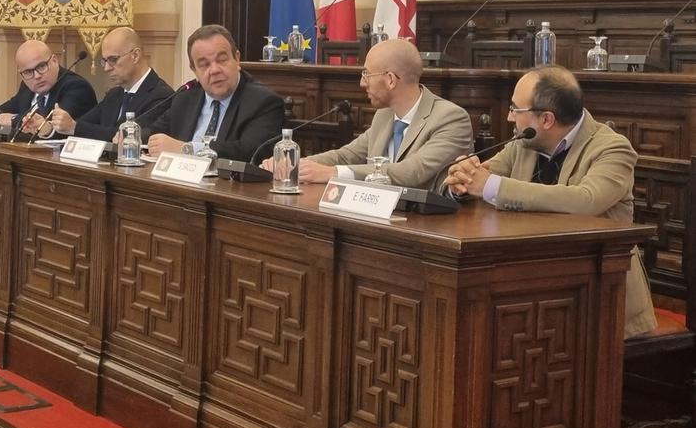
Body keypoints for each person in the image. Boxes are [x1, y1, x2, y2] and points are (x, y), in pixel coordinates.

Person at [444, 65, 656, 339]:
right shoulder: (523, 144)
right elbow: (480, 176)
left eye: (515, 109)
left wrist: (490, 186)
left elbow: (586, 201)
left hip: (599, 294)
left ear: (546, 119)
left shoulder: (611, 148)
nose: (509, 117)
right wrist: (461, 183)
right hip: (529, 277)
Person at [270, 38, 473, 187]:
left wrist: (332, 173)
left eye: (366, 74)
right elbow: (346, 156)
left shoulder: (450, 118)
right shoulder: (384, 115)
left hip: (427, 228)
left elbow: (412, 172)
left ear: (391, 80)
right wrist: (292, 162)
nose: (362, 83)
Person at [146, 24, 283, 162]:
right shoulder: (185, 97)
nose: (214, 70)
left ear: (237, 59)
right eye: (204, 64)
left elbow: (250, 152)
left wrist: (187, 149)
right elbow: (152, 132)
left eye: (222, 60)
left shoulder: (263, 102)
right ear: (194, 70)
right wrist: (128, 134)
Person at [50, 26, 173, 141]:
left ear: (135, 56)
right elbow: (83, 123)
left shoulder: (162, 96)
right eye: (104, 61)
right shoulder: (115, 94)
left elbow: (124, 136)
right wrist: (51, 127)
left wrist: (74, 127)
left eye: (113, 60)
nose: (107, 68)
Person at [0, 40, 97, 135]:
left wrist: (13, 120)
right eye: (28, 72)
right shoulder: (27, 86)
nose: (37, 76)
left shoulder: (76, 87)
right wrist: (11, 118)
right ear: (21, 74)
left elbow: (47, 125)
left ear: (55, 61)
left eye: (41, 66)